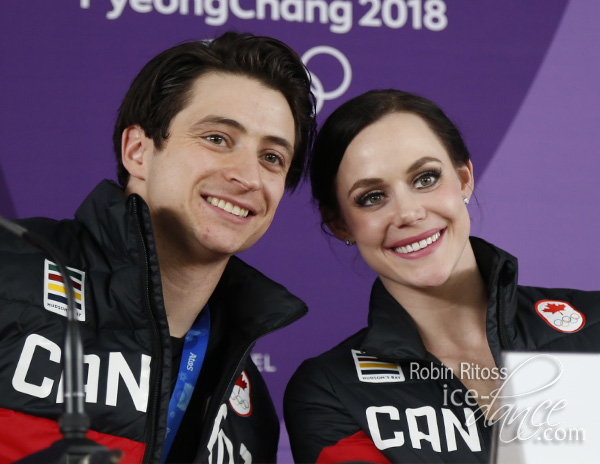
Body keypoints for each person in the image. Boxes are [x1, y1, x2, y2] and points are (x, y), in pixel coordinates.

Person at [0, 31, 316, 463]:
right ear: (138, 151)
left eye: (272, 158)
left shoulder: (250, 412)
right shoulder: (8, 268)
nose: (249, 176)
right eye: (218, 138)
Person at [284, 89, 600, 463]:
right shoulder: (331, 389)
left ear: (464, 178)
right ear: (339, 224)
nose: (408, 213)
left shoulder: (592, 322)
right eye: (372, 197)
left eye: (425, 178)